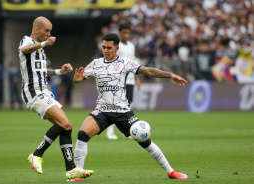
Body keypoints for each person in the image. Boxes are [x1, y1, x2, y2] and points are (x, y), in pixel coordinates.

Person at [73, 33, 188, 180]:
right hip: (102, 110)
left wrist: (169, 75)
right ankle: (78, 173)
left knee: (145, 142)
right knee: (82, 134)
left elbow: (148, 70)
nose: (105, 50)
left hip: (123, 111)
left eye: (109, 47)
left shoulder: (125, 63)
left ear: (117, 48)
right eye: (103, 47)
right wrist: (77, 80)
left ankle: (171, 171)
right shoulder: (95, 64)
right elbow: (80, 78)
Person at [18, 16, 93, 182]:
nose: (49, 34)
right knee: (64, 124)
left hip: (43, 91)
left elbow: (42, 71)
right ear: (37, 29)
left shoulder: (40, 50)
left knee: (67, 127)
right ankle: (36, 154)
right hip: (34, 91)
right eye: (47, 30)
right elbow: (24, 50)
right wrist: (44, 43)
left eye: (50, 31)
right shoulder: (27, 41)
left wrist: (60, 71)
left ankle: (71, 169)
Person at [106, 23, 141, 139]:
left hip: (130, 79)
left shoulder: (131, 46)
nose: (126, 35)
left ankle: (125, 131)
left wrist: (137, 78)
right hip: (117, 80)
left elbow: (133, 63)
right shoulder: (116, 46)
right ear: (120, 33)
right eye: (124, 33)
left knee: (127, 105)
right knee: (115, 105)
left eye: (128, 33)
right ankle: (110, 131)